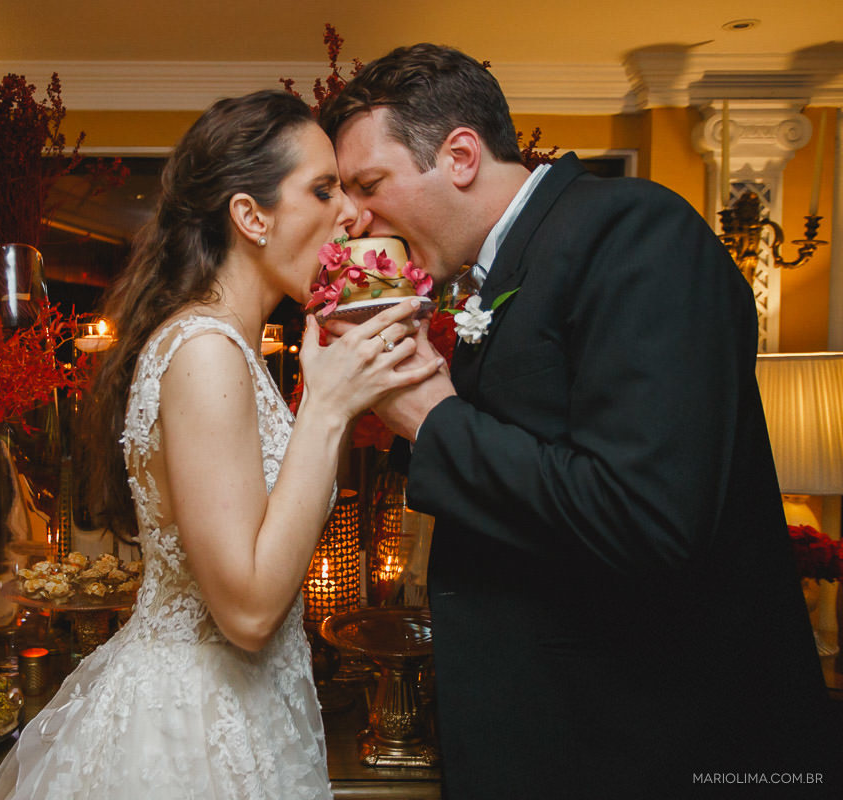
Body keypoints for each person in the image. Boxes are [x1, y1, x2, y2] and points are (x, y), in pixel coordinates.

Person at [320, 44, 835, 799]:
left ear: (460, 155)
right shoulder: (506, 268)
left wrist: (432, 417)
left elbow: (646, 517)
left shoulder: (632, 231)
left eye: (369, 185)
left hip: (647, 746)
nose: (357, 217)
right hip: (558, 736)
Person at [0, 90, 438, 800]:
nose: (352, 214)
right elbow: (248, 614)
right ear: (251, 216)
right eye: (323, 190)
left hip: (247, 711)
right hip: (191, 732)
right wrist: (327, 407)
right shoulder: (204, 352)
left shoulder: (230, 349)